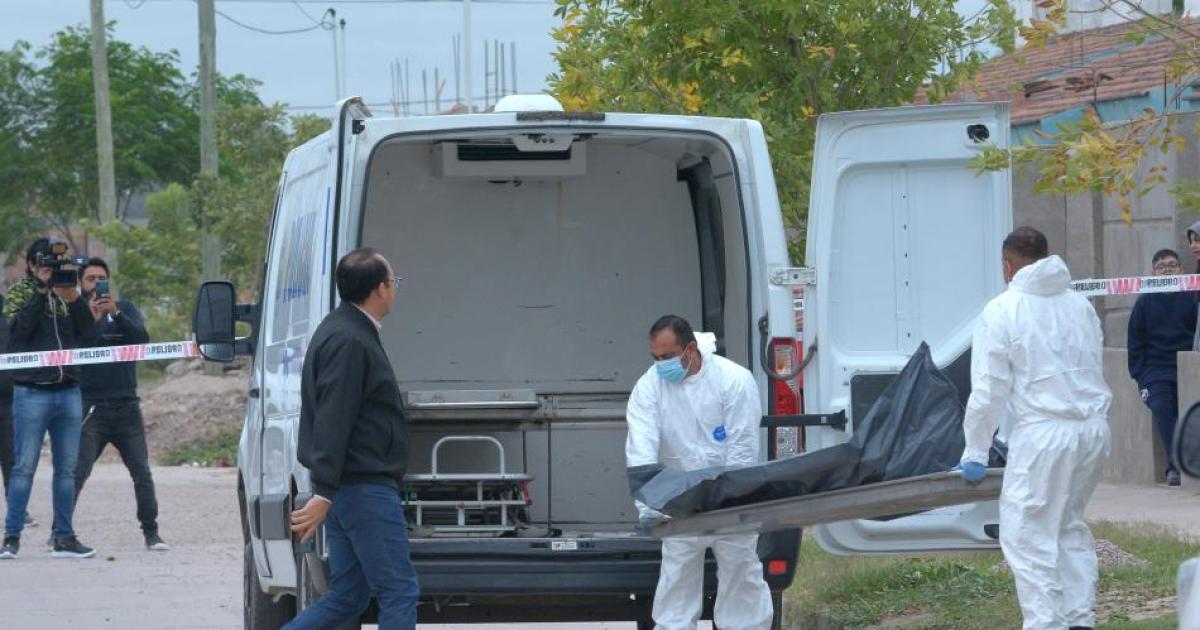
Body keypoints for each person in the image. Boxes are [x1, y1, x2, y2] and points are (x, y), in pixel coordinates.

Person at [956, 227, 1111, 630]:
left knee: (1027, 534)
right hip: (1091, 430)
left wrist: (975, 450)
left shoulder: (1003, 309)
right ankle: (1079, 619)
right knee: (1067, 525)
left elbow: (988, 390)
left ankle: (1046, 624)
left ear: (1007, 267)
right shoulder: (1079, 305)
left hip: (1045, 435)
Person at [285, 248, 418, 630]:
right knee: (399, 591)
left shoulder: (344, 330)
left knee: (349, 596)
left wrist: (328, 490)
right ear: (380, 289)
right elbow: (335, 416)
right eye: (393, 281)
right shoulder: (350, 340)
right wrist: (325, 492)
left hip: (348, 488)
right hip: (362, 489)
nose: (394, 288)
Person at [625, 315, 774, 630]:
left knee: (740, 572)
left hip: (731, 497)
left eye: (667, 357)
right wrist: (650, 503)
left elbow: (742, 451)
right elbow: (641, 448)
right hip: (679, 498)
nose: (661, 365)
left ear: (690, 348)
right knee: (677, 579)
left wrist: (733, 500)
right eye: (655, 357)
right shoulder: (649, 387)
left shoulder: (733, 380)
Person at [0, 238, 100, 560]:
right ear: (31, 266)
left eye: (55, 265)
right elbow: (17, 337)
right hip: (31, 392)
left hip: (68, 390)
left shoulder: (68, 291)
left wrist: (74, 299)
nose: (50, 270)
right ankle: (11, 537)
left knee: (67, 470)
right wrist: (42, 292)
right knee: (23, 467)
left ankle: (64, 537)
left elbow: (88, 335)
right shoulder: (20, 293)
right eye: (44, 265)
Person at [71, 258, 168, 549]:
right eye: (90, 279)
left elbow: (141, 341)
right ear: (80, 283)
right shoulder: (76, 314)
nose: (96, 284)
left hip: (126, 405)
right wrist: (91, 319)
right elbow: (71, 350)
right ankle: (60, 531)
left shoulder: (124, 309)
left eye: (101, 278)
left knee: (142, 472)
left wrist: (116, 314)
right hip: (91, 407)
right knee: (77, 471)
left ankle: (151, 532)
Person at [1127, 249, 1194, 487]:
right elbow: (1135, 342)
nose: (1167, 271)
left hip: (1187, 367)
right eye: (1161, 267)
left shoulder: (1192, 297)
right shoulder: (1144, 302)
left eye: (1172, 266)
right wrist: (1140, 375)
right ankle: (1176, 467)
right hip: (1155, 371)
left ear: (1181, 270)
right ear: (1153, 273)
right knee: (1163, 409)